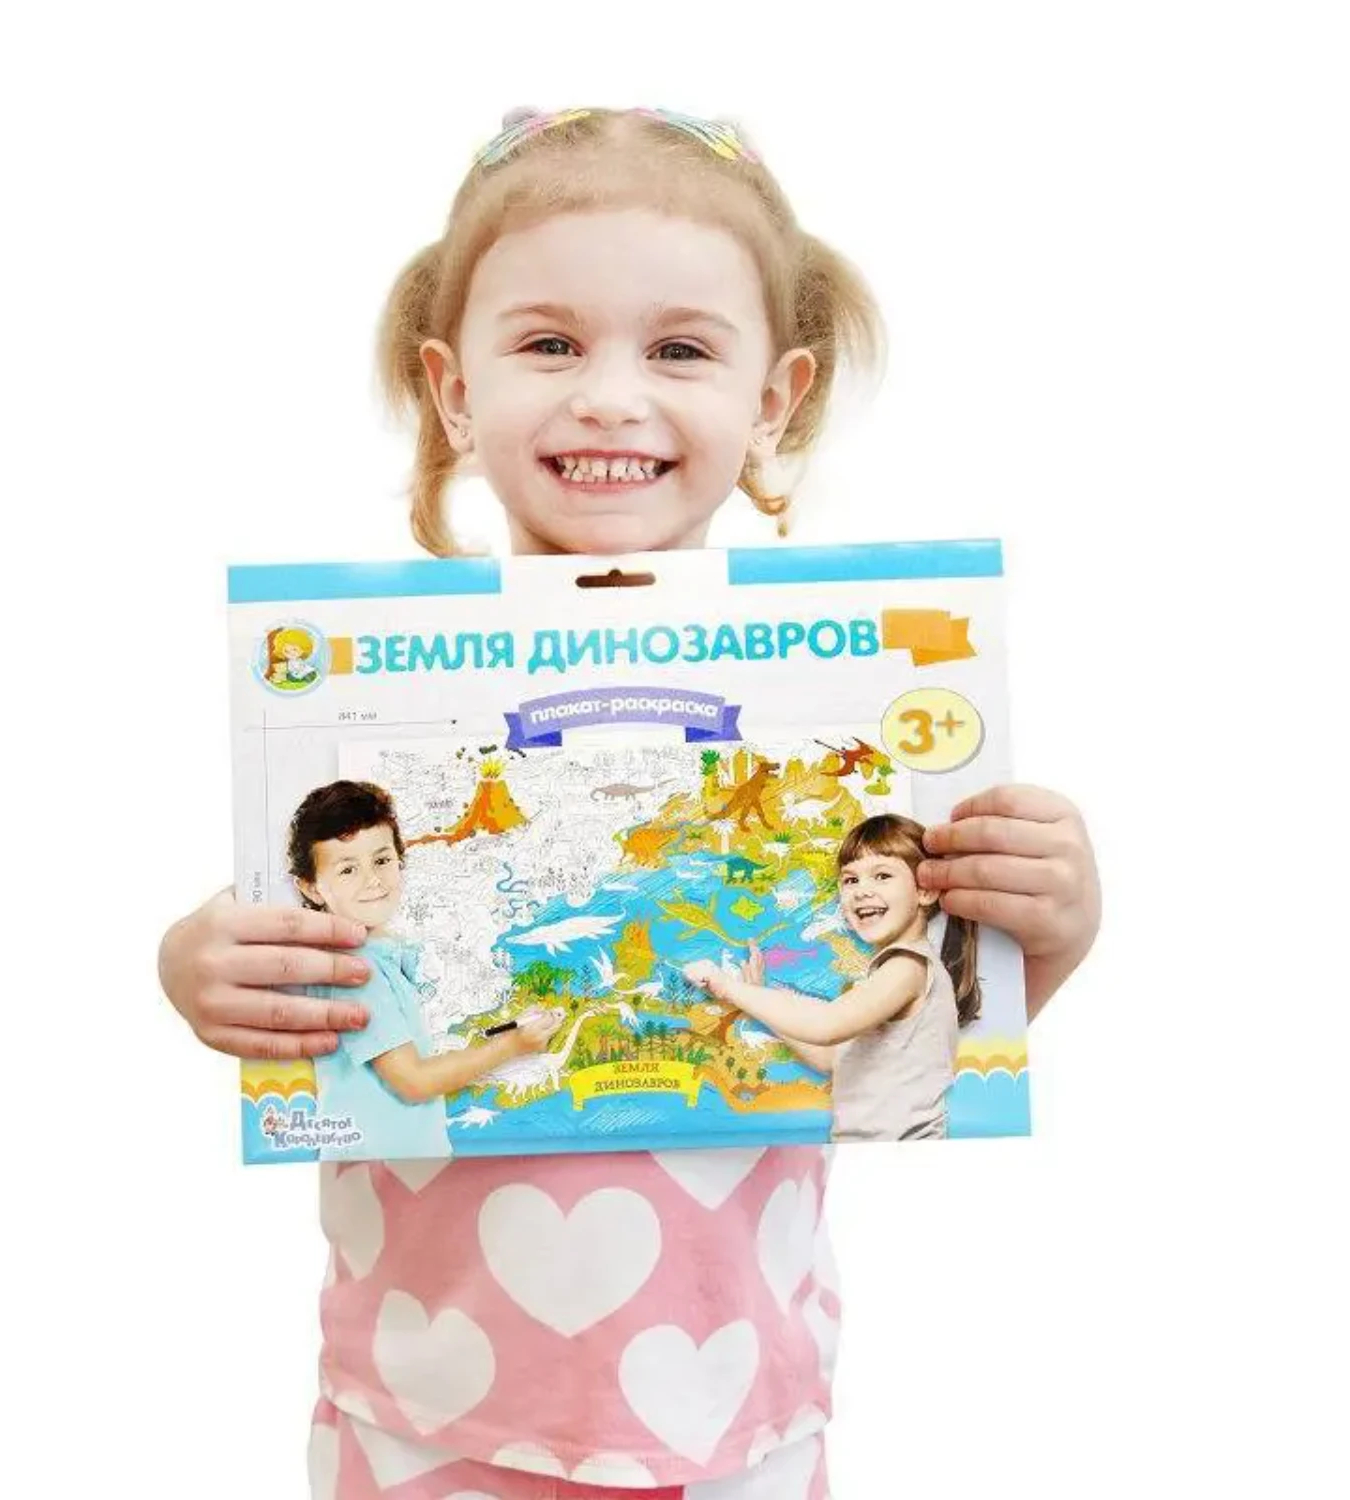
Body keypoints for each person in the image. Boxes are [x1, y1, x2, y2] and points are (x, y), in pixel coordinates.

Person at [158, 106, 1102, 1499]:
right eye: (550, 344)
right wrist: (200, 964)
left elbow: (919, 1026)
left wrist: (1043, 929)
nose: (609, 396)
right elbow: (318, 938)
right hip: (419, 1420)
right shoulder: (362, 701)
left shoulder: (851, 716)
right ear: (452, 389)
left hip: (740, 1424)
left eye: (679, 350)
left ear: (774, 400)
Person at [287, 779, 560, 1161]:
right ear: (311, 888)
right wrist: (513, 1046)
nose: (373, 880)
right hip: (383, 1172)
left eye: (382, 860)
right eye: (348, 870)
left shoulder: (376, 954)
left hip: (395, 1166)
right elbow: (413, 1081)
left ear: (400, 859)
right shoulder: (356, 972)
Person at [686, 814, 979, 1143]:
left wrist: (728, 987)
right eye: (850, 880)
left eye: (882, 875)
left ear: (925, 891)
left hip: (901, 1158)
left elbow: (827, 1024)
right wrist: (757, 998)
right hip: (869, 1154)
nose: (861, 891)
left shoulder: (907, 967)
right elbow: (831, 1057)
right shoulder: (895, 970)